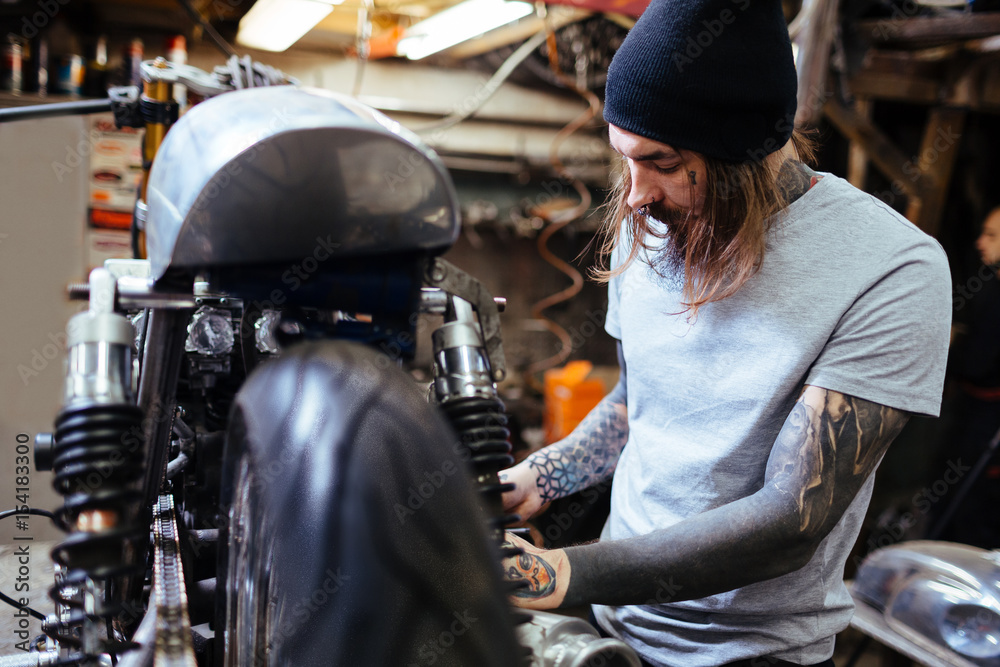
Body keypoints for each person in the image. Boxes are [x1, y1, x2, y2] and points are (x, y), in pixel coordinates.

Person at [498, 1, 952, 665]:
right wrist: (545, 473)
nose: (633, 195)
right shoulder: (651, 219)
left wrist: (560, 573)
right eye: (625, 157)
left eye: (659, 161)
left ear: (745, 154)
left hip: (749, 654)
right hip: (611, 625)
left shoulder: (893, 270)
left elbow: (789, 520)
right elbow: (639, 398)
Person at [934, 206, 1000, 547]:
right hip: (972, 410)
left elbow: (977, 362)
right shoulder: (989, 285)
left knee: (966, 504)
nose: (979, 242)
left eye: (991, 235)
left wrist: (946, 346)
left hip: (984, 418)